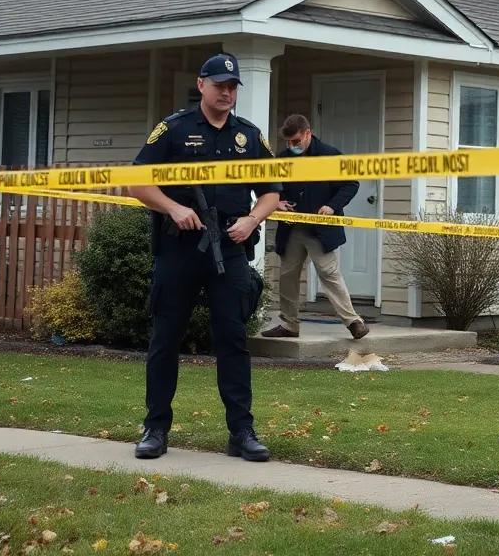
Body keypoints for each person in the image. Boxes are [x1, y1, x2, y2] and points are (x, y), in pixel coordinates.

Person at [128, 53, 281, 463]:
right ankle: (155, 428)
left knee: (233, 341)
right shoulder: (174, 129)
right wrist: (172, 208)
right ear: (201, 85)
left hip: (229, 248)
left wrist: (251, 220)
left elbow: (271, 193)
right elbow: (137, 183)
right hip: (180, 247)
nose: (226, 93)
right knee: (165, 339)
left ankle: (242, 432)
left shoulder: (249, 136)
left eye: (232, 87)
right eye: (219, 85)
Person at [260, 114, 370, 340]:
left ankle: (353, 322)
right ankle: (289, 324)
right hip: (291, 228)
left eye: (296, 141)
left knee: (329, 273)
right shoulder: (282, 159)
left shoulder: (330, 155)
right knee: (287, 275)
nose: (291, 146)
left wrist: (332, 206)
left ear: (308, 134)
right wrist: (278, 202)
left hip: (320, 229)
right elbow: (270, 187)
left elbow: (351, 184)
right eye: (288, 142)